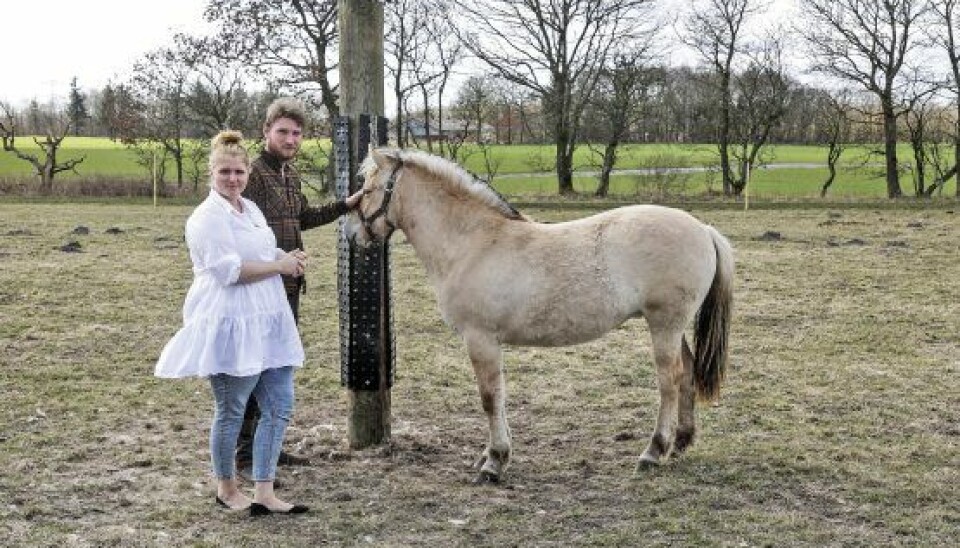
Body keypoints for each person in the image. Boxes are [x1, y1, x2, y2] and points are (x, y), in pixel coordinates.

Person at [155, 130, 310, 516]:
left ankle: (265, 490)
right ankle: (226, 488)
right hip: (230, 321)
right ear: (212, 173)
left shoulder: (250, 209)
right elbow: (229, 271)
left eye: (239, 171)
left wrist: (283, 255)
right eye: (225, 172)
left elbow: (259, 248)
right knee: (233, 407)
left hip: (269, 319)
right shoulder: (205, 218)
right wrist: (279, 266)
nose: (233, 179)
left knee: (279, 405)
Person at [236, 96, 363, 478]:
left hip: (288, 288)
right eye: (283, 132)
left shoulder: (290, 175)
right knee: (254, 368)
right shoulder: (251, 174)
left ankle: (268, 445)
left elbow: (301, 218)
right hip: (260, 286)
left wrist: (345, 205)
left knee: (276, 368)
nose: (290, 140)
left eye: (296, 133)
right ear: (266, 132)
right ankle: (245, 452)